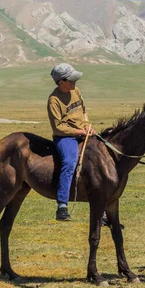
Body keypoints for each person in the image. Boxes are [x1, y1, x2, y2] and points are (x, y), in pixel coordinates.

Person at [47, 63, 94, 221]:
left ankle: (102, 209)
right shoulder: (54, 100)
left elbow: (83, 111)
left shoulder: (76, 91)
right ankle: (62, 206)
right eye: (71, 80)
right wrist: (78, 131)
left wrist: (87, 126)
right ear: (61, 82)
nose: (75, 82)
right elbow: (58, 126)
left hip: (83, 132)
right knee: (69, 162)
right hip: (65, 137)